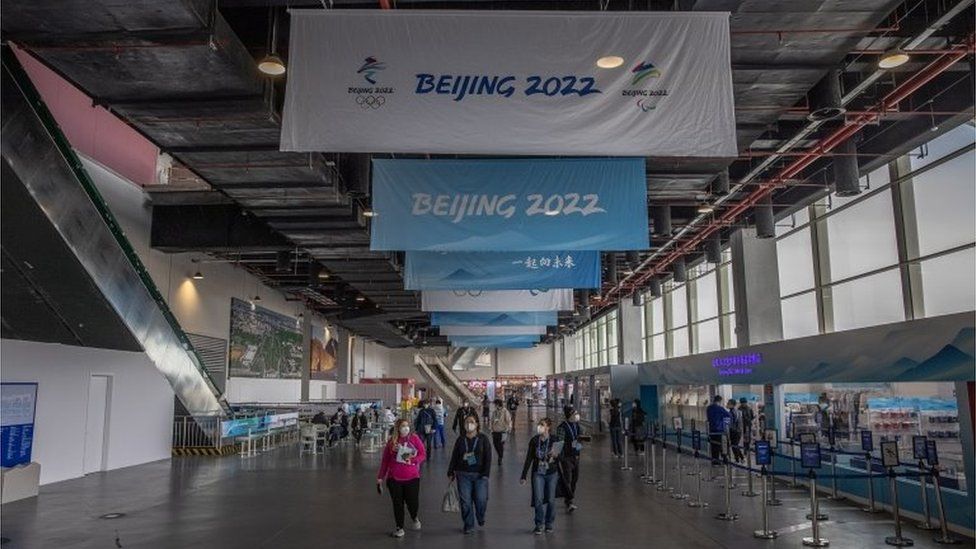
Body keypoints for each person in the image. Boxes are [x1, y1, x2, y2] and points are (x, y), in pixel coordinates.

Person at [377, 419, 426, 538]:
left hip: (412, 477)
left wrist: (413, 460)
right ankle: (399, 528)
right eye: (403, 426)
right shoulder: (391, 442)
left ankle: (414, 516)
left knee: (412, 503)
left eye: (407, 426)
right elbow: (385, 461)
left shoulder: (414, 438)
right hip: (394, 478)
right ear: (398, 428)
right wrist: (380, 477)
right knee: (397, 504)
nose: (406, 428)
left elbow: (423, 454)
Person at [447, 415, 492, 535]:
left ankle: (480, 516)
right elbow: (455, 456)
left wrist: (486, 473)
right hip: (463, 474)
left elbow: (488, 457)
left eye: (471, 422)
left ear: (477, 424)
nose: (469, 425)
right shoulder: (461, 440)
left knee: (481, 500)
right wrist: (451, 471)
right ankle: (469, 524)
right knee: (465, 501)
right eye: (467, 422)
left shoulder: (483, 439)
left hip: (480, 475)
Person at [520, 418, 561, 535]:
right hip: (538, 473)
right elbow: (529, 459)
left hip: (551, 473)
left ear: (548, 427)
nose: (540, 427)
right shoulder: (534, 441)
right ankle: (539, 524)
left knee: (551, 500)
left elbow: (560, 457)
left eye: (542, 425)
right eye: (539, 425)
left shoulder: (554, 440)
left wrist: (556, 455)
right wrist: (524, 475)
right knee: (538, 499)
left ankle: (549, 523)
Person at [555, 406, 583, 513]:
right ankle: (569, 501)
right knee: (568, 479)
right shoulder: (562, 427)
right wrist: (558, 457)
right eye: (574, 414)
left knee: (575, 479)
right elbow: (559, 442)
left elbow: (578, 439)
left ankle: (571, 497)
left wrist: (580, 444)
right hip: (566, 457)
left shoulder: (576, 425)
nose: (576, 416)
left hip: (576, 456)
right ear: (569, 416)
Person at [706, 395, 731, 465]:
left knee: (713, 445)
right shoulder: (720, 408)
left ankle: (714, 460)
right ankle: (724, 459)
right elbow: (728, 415)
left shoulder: (709, 408)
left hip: (711, 429)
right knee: (721, 445)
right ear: (720, 401)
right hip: (719, 430)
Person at [489, 398, 512, 466]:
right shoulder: (495, 412)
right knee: (495, 444)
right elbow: (492, 420)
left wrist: (509, 428)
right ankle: (500, 454)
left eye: (495, 404)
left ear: (498, 404)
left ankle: (500, 457)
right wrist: (491, 428)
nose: (494, 406)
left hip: (502, 431)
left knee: (500, 445)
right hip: (495, 431)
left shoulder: (505, 411)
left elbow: (509, 420)